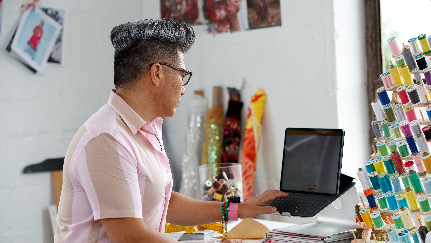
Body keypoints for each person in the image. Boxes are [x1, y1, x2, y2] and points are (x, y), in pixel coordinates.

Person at [54, 18, 288, 243]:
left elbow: (164, 202)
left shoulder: (145, 127)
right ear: (157, 74)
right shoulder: (106, 139)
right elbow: (130, 236)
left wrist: (239, 209)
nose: (184, 89)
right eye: (182, 76)